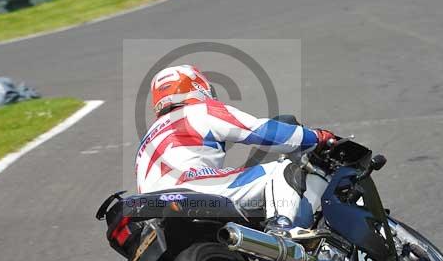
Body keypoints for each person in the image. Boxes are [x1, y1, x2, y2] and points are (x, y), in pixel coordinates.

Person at [136, 65, 336, 234]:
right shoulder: (200, 110)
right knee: (281, 169)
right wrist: (318, 136)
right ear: (198, 86)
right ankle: (281, 228)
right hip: (189, 187)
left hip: (150, 210)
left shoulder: (147, 137)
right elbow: (261, 132)